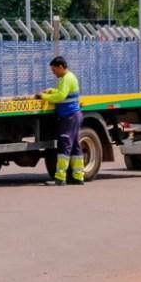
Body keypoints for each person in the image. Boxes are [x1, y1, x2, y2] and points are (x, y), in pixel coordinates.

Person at [37, 56, 84, 186]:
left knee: (65, 145)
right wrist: (52, 90)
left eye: (54, 70)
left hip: (69, 116)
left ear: (60, 67)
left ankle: (60, 178)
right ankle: (78, 176)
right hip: (73, 115)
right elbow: (62, 92)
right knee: (75, 146)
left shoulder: (67, 78)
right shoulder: (68, 78)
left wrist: (43, 96)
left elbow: (61, 96)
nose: (53, 72)